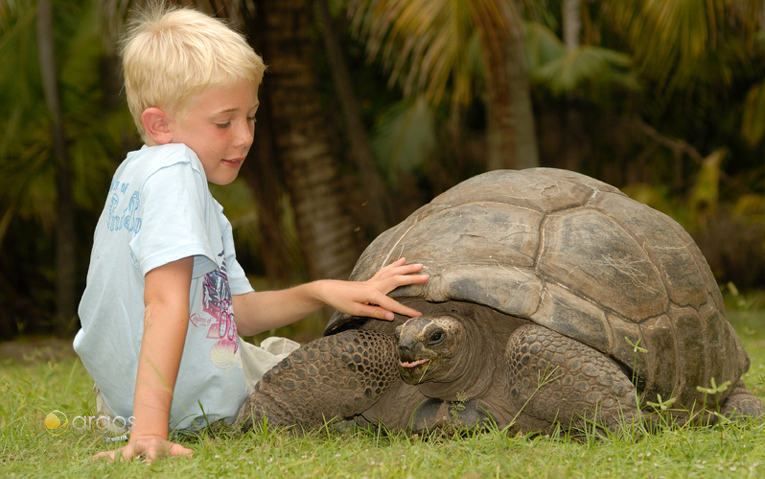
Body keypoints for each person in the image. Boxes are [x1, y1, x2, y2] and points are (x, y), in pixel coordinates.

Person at [73, 3, 428, 463]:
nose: (244, 137)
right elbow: (163, 303)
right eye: (224, 122)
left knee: (284, 354)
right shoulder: (177, 171)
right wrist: (148, 433)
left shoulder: (136, 173)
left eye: (252, 116)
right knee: (358, 369)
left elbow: (233, 315)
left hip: (124, 403)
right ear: (159, 124)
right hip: (176, 407)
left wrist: (320, 291)